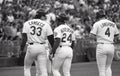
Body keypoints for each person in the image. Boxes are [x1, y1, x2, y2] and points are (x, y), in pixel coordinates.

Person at [20, 9, 54, 76]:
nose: (44, 17)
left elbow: (24, 38)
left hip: (31, 46)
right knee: (43, 70)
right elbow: (51, 39)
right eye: (44, 16)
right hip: (42, 47)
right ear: (41, 16)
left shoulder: (27, 23)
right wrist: (53, 51)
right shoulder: (46, 24)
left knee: (27, 68)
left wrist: (21, 49)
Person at [90, 10, 119, 76]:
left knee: (102, 69)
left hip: (102, 45)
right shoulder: (113, 24)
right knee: (108, 67)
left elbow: (91, 36)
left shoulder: (97, 23)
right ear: (105, 16)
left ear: (98, 16)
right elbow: (117, 35)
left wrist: (98, 37)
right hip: (111, 45)